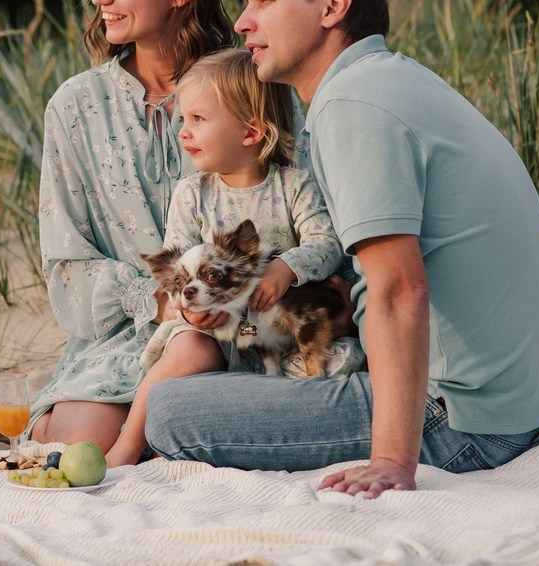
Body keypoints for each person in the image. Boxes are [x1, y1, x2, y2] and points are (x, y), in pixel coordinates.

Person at [144, 0, 539, 498]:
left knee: (172, 411)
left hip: (462, 419)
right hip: (517, 400)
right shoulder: (393, 79)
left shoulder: (351, 105)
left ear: (333, 6)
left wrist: (392, 461)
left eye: (265, 1)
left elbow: (400, 288)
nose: (243, 22)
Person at [27, 0, 234, 452]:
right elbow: (66, 263)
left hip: (240, 328)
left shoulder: (252, 88)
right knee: (87, 443)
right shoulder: (75, 105)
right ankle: (29, 414)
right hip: (127, 338)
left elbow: (294, 213)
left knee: (192, 413)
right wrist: (156, 301)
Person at [104, 48, 356, 468]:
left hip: (282, 329)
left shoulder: (293, 186)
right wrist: (189, 309)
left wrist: (286, 268)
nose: (183, 132)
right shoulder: (193, 193)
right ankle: (127, 446)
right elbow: (176, 268)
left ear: (251, 131)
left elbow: (326, 242)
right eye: (183, 119)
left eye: (198, 119)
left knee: (342, 362)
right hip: (218, 333)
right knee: (186, 350)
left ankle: (273, 435)